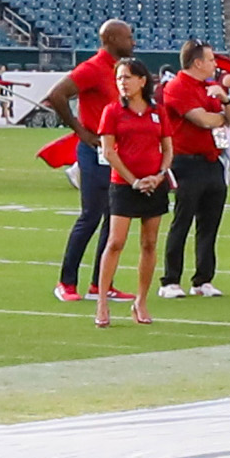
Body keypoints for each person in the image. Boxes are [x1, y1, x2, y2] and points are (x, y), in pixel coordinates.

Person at [82, 57, 179, 326]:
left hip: (154, 184)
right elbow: (109, 151)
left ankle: (141, 301)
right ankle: (102, 302)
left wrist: (159, 175)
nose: (122, 83)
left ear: (142, 80)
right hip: (124, 185)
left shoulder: (157, 112)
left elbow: (168, 147)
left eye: (127, 78)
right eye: (119, 78)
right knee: (115, 242)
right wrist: (134, 180)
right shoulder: (112, 111)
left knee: (149, 243)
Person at [54, 22, 139, 304]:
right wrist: (80, 131)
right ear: (112, 39)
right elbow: (57, 95)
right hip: (95, 152)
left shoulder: (119, 70)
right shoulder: (93, 67)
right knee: (91, 215)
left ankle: (101, 283)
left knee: (113, 218)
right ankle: (66, 282)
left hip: (116, 152)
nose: (133, 41)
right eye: (128, 36)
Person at [156, 41, 230, 301]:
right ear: (197, 62)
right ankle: (170, 279)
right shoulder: (178, 87)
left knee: (210, 223)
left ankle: (203, 279)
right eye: (211, 60)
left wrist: (225, 100)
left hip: (212, 160)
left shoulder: (209, 88)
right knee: (182, 220)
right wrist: (221, 116)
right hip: (186, 161)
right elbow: (201, 119)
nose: (215, 64)